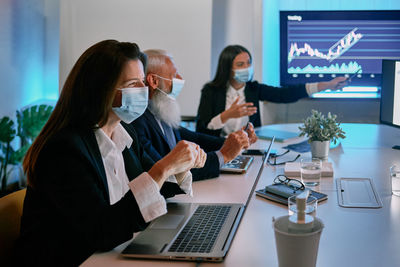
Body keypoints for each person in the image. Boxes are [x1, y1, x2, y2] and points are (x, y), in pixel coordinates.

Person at [11, 40, 207, 266]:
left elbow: (153, 185)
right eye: (133, 83)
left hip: (111, 254)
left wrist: (180, 168)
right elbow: (102, 231)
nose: (144, 91)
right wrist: (164, 168)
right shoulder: (64, 149)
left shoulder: (124, 131)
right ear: (100, 90)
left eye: (143, 82)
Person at [126, 49, 257, 181]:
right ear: (153, 81)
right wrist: (224, 155)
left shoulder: (159, 111)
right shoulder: (137, 121)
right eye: (174, 74)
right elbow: (168, 172)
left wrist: (234, 142)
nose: (180, 79)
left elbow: (195, 138)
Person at [196, 45, 348, 137]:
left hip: (248, 151)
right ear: (228, 68)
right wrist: (227, 115)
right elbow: (202, 130)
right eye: (240, 64)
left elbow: (286, 94)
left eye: (249, 63)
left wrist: (327, 85)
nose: (247, 68)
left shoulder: (253, 89)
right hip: (218, 151)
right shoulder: (211, 91)